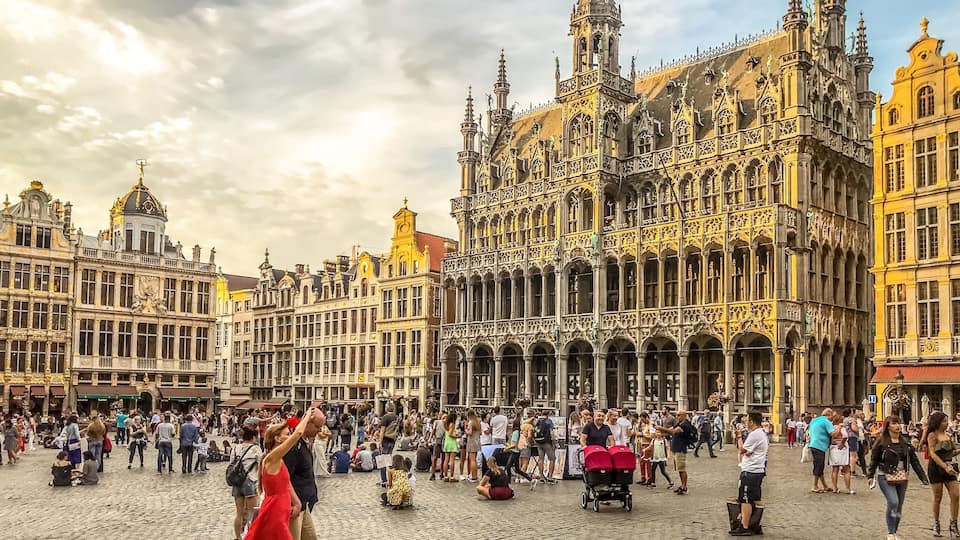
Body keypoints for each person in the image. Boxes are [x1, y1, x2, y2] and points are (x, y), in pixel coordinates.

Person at [244, 409, 315, 540]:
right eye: (287, 434)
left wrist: (297, 502)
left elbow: (286, 483)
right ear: (277, 438)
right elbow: (298, 433)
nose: (289, 437)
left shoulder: (279, 459)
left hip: (281, 509)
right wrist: (307, 415)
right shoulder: (272, 458)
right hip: (275, 510)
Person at [868, 415, 928, 540]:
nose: (897, 426)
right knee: (893, 501)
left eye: (898, 423)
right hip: (885, 475)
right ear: (888, 426)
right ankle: (890, 532)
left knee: (899, 505)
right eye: (894, 423)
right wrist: (870, 475)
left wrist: (922, 476)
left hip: (902, 476)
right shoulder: (881, 441)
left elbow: (914, 460)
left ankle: (894, 531)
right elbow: (874, 459)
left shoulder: (905, 441)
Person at [285, 411, 325, 540]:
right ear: (307, 424)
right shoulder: (294, 446)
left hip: (304, 502)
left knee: (310, 537)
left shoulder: (304, 443)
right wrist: (295, 502)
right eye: (317, 427)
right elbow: (285, 478)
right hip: (295, 503)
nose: (319, 431)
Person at [730, 412, 769, 536]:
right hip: (757, 470)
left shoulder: (755, 435)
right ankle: (754, 523)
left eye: (747, 420)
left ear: (752, 421)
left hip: (751, 471)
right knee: (753, 498)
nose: (746, 423)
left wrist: (739, 437)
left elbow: (743, 450)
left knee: (746, 499)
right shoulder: (761, 433)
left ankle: (745, 526)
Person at [924, 411, 960, 537]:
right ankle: (936, 523)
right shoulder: (932, 435)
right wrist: (944, 466)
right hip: (936, 469)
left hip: (950, 468)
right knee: (937, 497)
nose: (947, 423)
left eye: (947, 420)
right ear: (938, 422)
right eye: (944, 421)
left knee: (956, 495)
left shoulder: (948, 435)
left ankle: (954, 523)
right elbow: (933, 454)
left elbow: (951, 453)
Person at [233, 417, 263, 540]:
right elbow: (261, 465)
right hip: (250, 481)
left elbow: (231, 464)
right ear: (253, 437)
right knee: (252, 513)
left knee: (239, 514)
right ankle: (251, 536)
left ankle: (238, 537)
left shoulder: (235, 448)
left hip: (237, 482)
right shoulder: (255, 449)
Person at [658, 409, 696, 496]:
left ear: (684, 415)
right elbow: (670, 430)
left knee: (682, 469)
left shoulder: (685, 425)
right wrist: (661, 432)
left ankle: (684, 487)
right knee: (679, 469)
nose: (677, 417)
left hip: (680, 449)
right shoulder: (679, 424)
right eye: (676, 415)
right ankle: (682, 485)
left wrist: (661, 428)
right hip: (676, 449)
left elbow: (673, 431)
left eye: (678, 415)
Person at [807, 408, 839, 493]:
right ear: (829, 415)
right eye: (832, 416)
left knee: (819, 466)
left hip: (813, 444)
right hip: (819, 445)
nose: (833, 418)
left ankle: (825, 485)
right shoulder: (826, 421)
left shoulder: (815, 420)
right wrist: (840, 427)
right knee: (818, 466)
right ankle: (814, 486)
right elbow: (833, 434)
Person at [829, 411, 853, 495]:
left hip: (833, 448)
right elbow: (845, 435)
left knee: (835, 469)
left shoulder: (831, 428)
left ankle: (835, 488)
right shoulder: (841, 427)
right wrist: (842, 443)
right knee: (846, 469)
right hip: (842, 449)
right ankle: (848, 489)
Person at [533, 411, 557, 483]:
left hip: (538, 442)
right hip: (547, 443)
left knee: (541, 459)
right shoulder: (548, 421)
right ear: (548, 415)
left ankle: (541, 476)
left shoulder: (537, 421)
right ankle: (550, 477)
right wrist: (554, 443)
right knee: (552, 459)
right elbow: (551, 433)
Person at [464, 409, 481, 482]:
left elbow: (470, 432)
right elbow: (481, 432)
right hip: (477, 441)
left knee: (472, 460)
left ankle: (473, 476)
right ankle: (476, 475)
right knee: (475, 460)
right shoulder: (477, 422)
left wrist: (466, 430)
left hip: (472, 442)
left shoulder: (471, 422)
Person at [442, 413, 459, 482]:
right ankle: (452, 476)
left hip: (446, 442)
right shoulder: (452, 424)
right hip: (452, 442)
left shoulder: (445, 424)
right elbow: (450, 434)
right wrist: (457, 436)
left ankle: (445, 476)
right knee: (452, 460)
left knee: (446, 460)